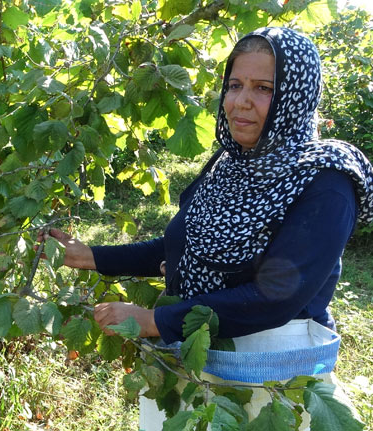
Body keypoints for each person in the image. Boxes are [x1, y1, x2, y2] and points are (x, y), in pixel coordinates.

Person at [43, 27, 372, 422]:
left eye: (264, 88)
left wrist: (154, 321)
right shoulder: (227, 164)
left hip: (271, 387)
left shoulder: (325, 181)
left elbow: (277, 296)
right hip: (195, 369)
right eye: (234, 85)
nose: (241, 102)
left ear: (296, 95)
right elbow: (181, 245)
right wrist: (90, 255)